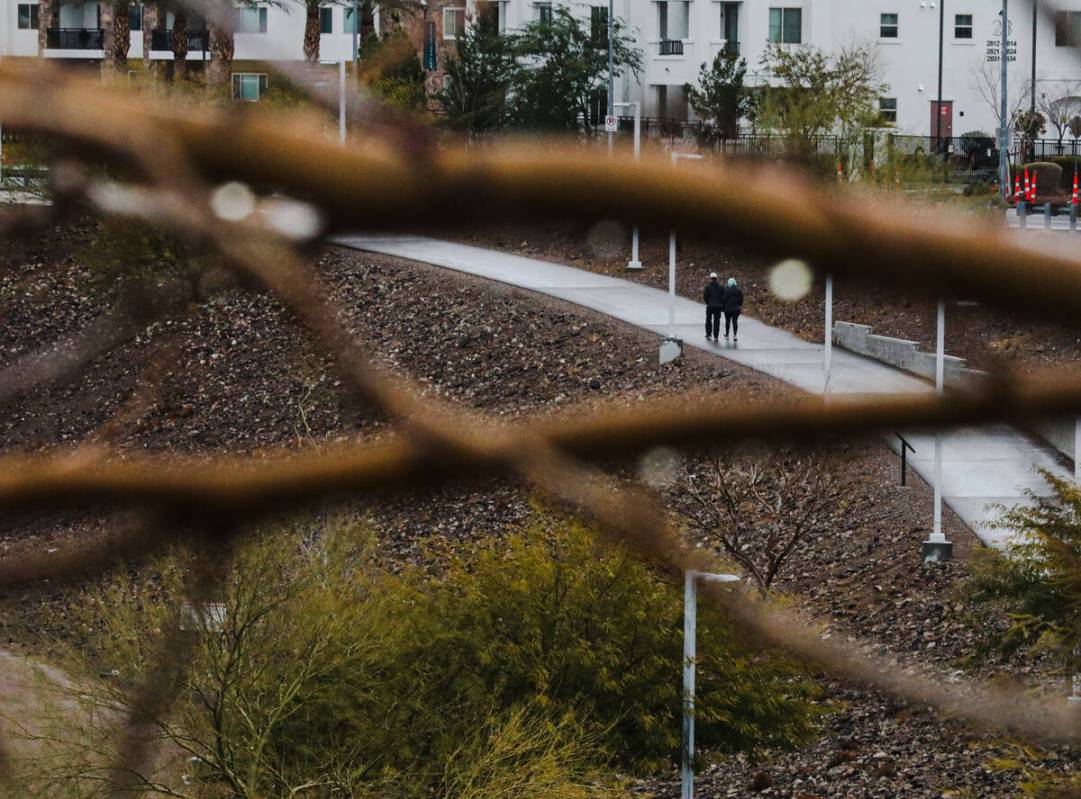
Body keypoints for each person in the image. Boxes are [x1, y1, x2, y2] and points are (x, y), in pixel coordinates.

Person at [703, 272, 725, 341]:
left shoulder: (707, 287)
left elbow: (705, 297)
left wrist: (707, 302)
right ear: (716, 278)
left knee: (708, 320)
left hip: (710, 306)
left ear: (710, 279)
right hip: (718, 307)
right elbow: (723, 297)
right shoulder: (721, 287)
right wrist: (721, 303)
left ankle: (708, 334)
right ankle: (716, 336)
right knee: (717, 321)